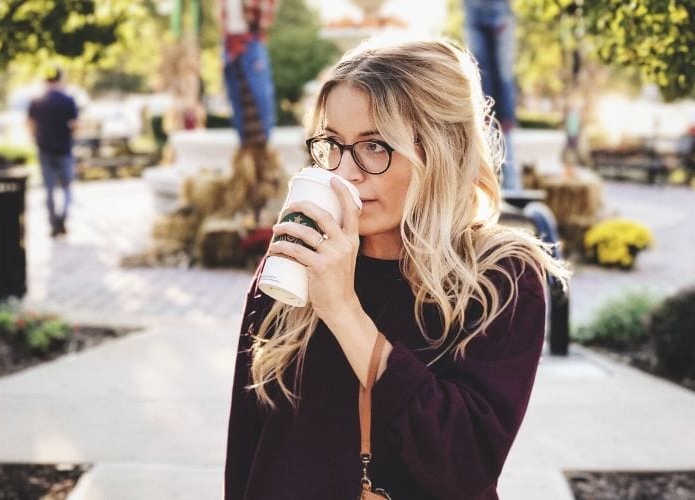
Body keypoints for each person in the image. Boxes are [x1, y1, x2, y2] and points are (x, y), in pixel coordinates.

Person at [224, 37, 569, 499]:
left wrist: (344, 311)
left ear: (442, 149)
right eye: (332, 145)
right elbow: (248, 448)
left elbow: (462, 465)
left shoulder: (499, 279)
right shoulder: (298, 259)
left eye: (374, 146)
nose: (345, 173)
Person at [463, 0, 521, 190]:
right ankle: (487, 179)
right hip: (473, 12)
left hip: (499, 11)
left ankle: (510, 181)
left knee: (503, 77)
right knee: (480, 76)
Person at [28, 67, 78, 237]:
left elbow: (30, 124)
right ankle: (62, 218)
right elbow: (75, 125)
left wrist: (36, 137)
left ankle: (53, 223)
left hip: (44, 149)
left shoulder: (37, 101)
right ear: (60, 79)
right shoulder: (68, 100)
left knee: (48, 189)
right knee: (66, 188)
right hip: (64, 149)